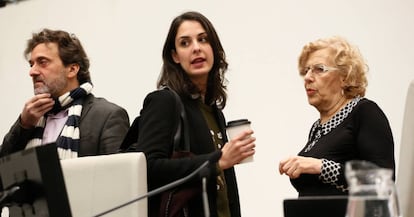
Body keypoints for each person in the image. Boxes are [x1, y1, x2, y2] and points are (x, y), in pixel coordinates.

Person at [134, 11, 255, 217]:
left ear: (213, 49)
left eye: (203, 39)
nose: (196, 48)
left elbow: (225, 187)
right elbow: (149, 168)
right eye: (185, 43)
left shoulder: (214, 111)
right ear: (175, 56)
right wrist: (217, 161)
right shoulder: (164, 101)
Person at [279, 36, 395, 196]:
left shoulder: (365, 112)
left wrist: (321, 167)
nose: (307, 77)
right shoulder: (317, 129)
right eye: (307, 70)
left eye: (319, 69)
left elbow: (381, 181)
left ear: (345, 77)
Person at [0, 28, 130, 159]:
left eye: (42, 62)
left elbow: (117, 175)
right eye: (31, 64)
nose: (32, 72)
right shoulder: (31, 119)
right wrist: (23, 125)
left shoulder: (107, 116)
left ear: (72, 69)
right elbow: (4, 170)